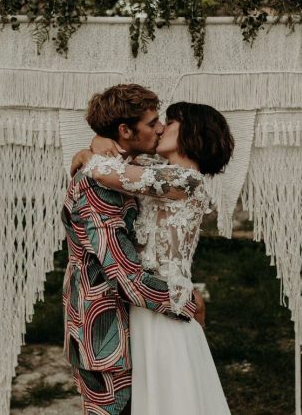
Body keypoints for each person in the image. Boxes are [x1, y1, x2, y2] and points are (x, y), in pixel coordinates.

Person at [72, 100, 235, 415]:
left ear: (192, 132)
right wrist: (98, 142)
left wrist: (90, 154)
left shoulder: (187, 180)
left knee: (172, 397)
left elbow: (105, 171)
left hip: (163, 306)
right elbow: (119, 155)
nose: (161, 127)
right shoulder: (162, 172)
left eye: (171, 121)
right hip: (146, 300)